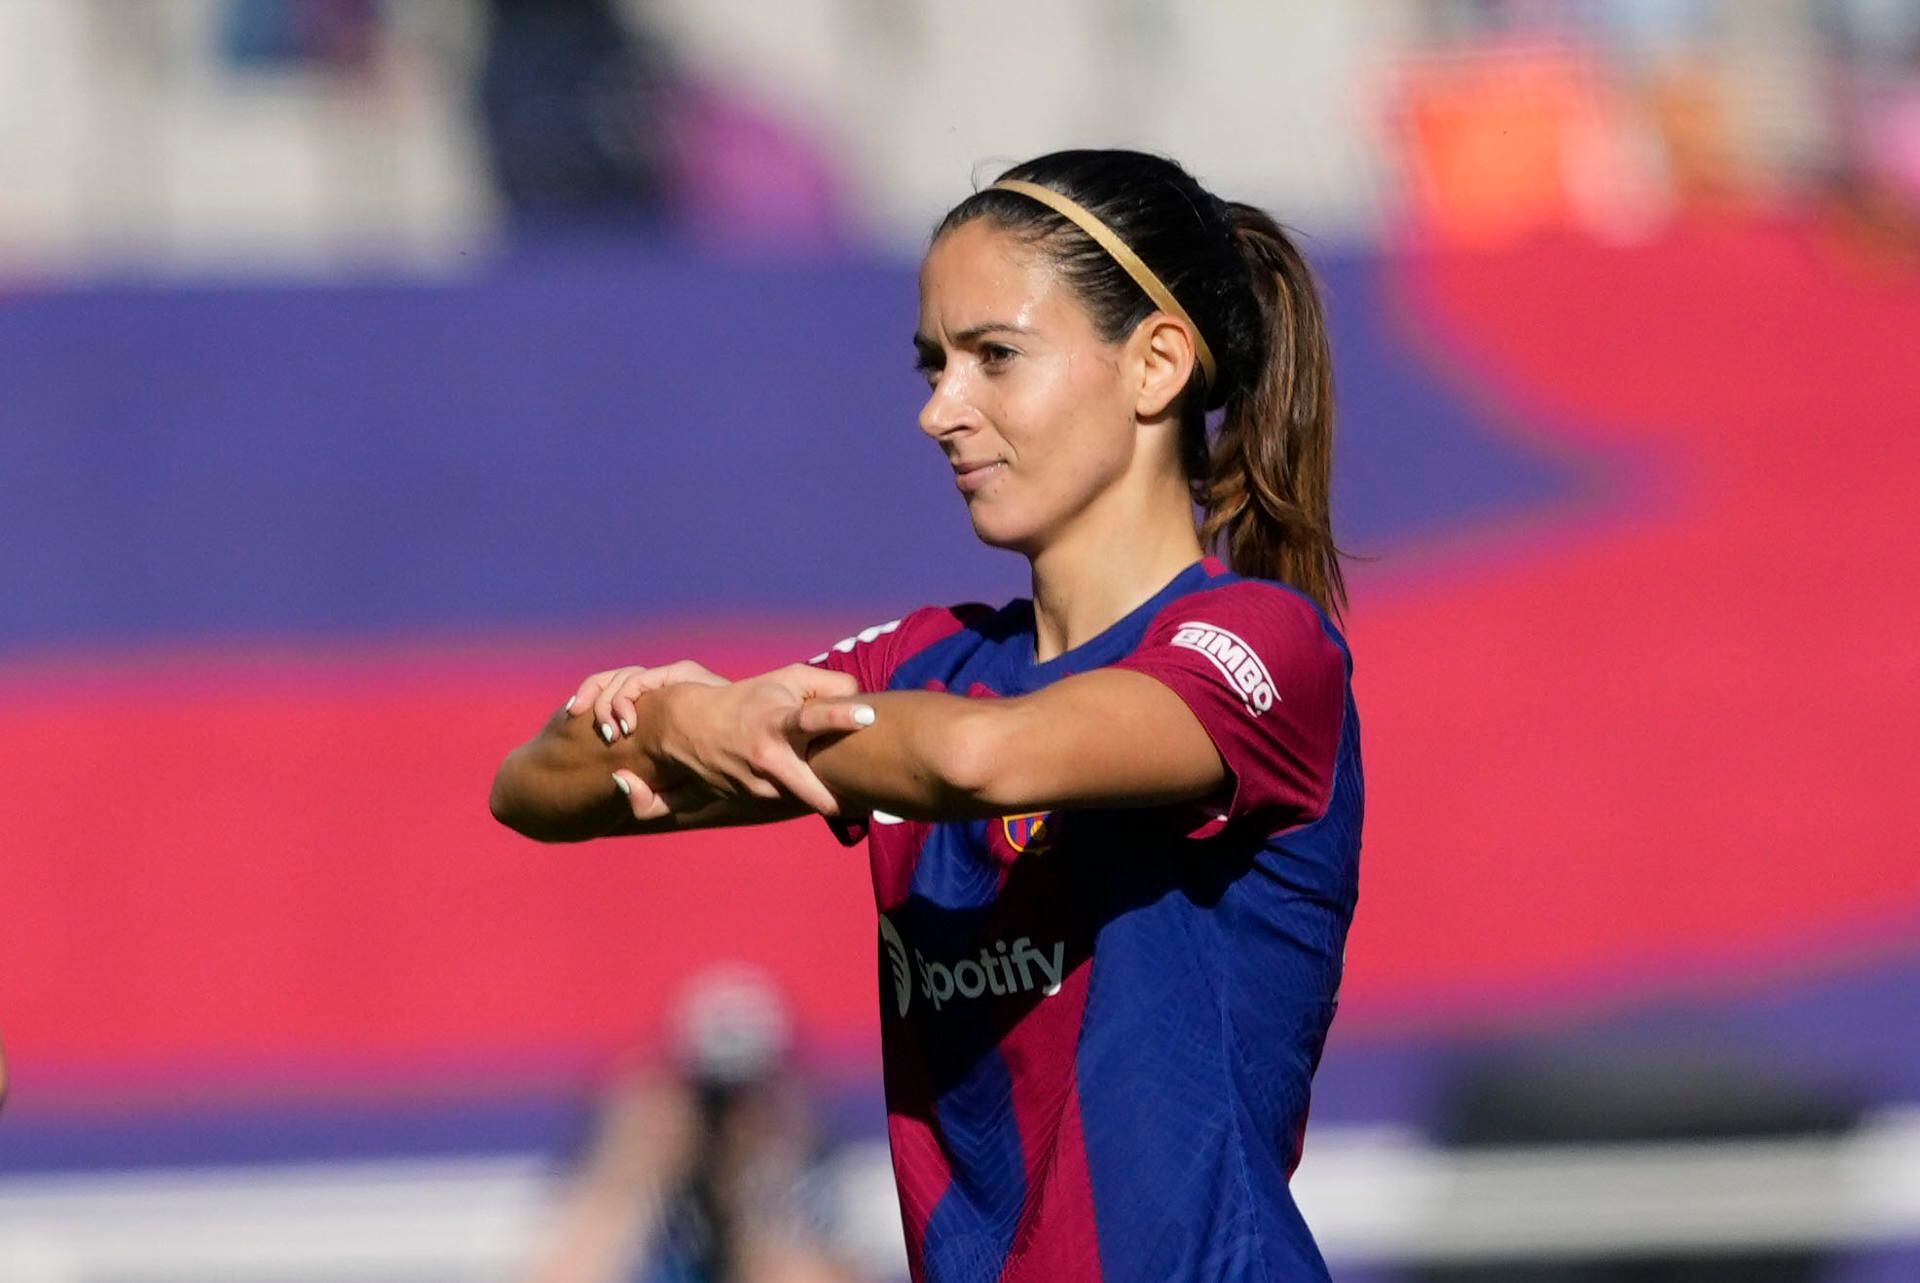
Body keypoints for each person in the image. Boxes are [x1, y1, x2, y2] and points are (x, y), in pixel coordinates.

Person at [492, 148, 1363, 1282]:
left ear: (1154, 365)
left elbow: (984, 756)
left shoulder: (1261, 643)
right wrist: (685, 723)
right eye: (932, 364)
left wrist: (734, 718)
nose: (940, 410)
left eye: (994, 357)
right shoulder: (928, 660)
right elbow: (538, 786)